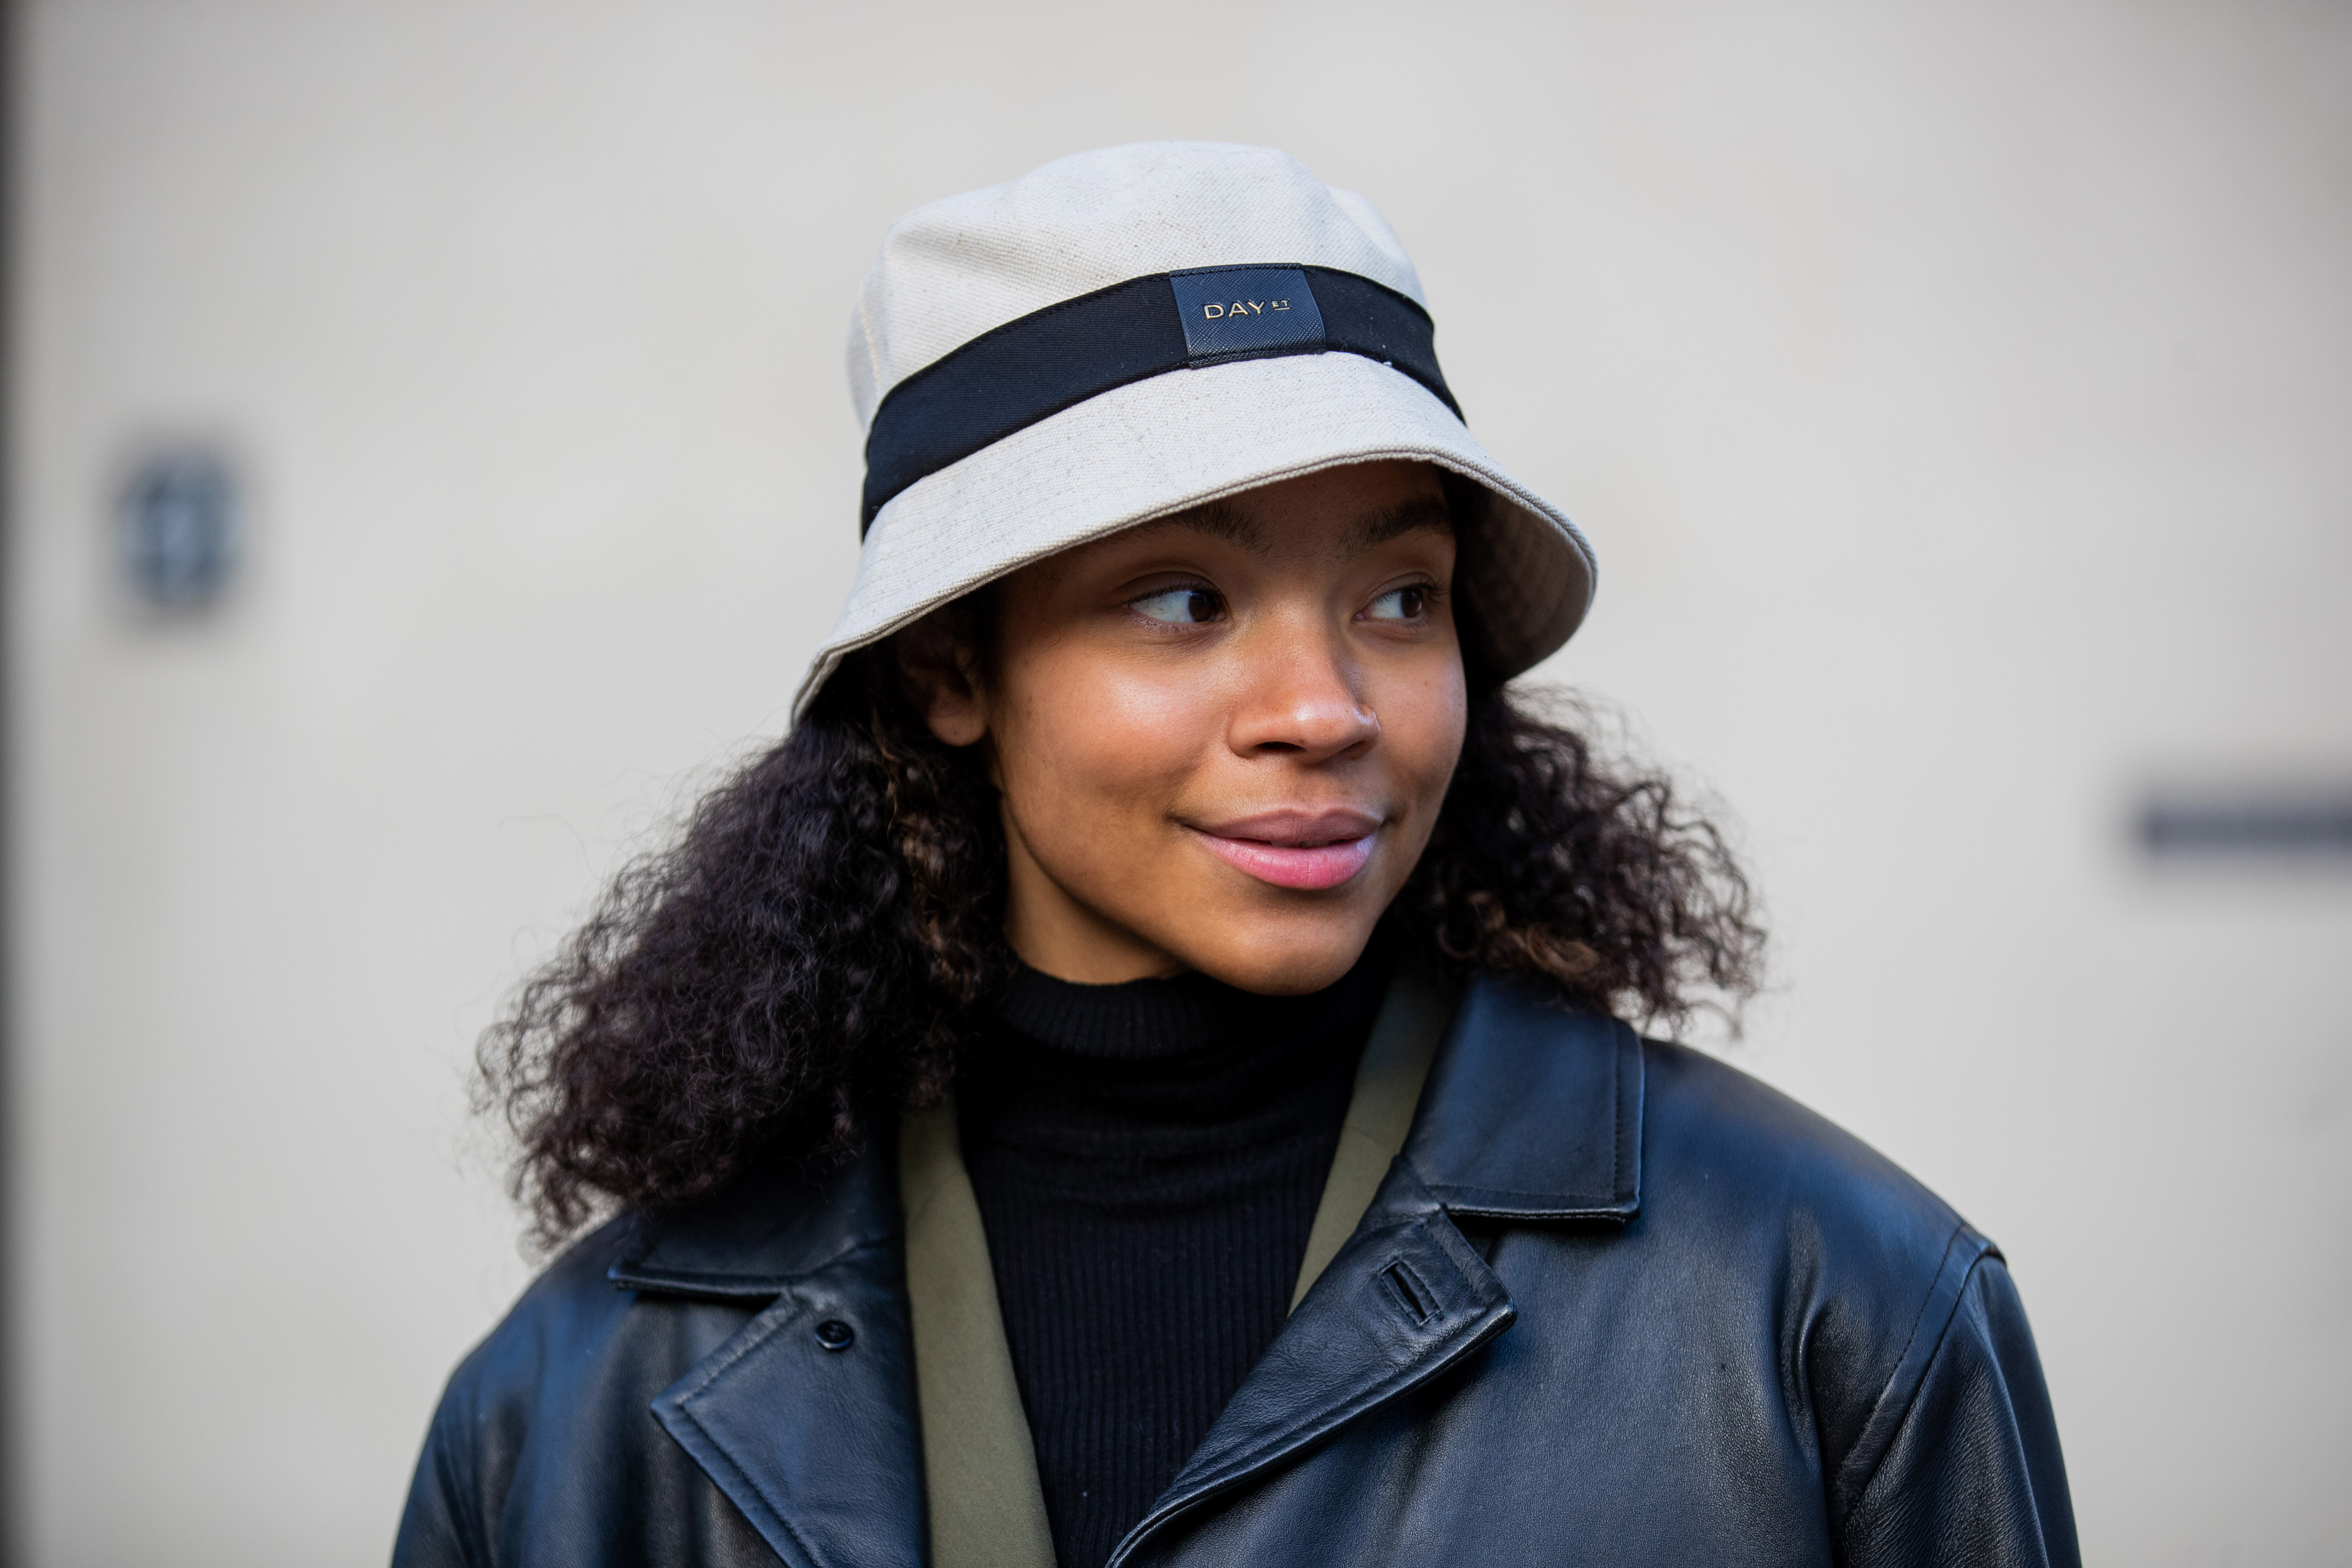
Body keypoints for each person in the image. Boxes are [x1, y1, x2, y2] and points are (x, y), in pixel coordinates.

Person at [394, 143, 2077, 1568]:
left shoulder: (1830, 1308)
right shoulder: (580, 1403)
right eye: (1184, 599)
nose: (1323, 703)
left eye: (1397, 597)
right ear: (951, 669)